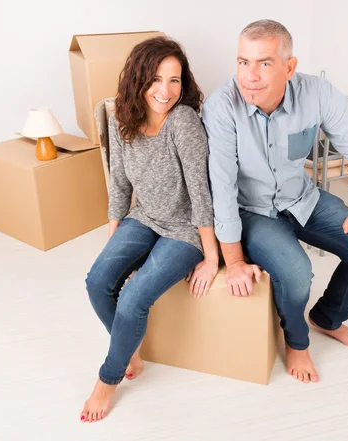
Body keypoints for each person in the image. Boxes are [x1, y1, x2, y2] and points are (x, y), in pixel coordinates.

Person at [202, 19, 348, 384]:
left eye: (264, 63)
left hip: (301, 199)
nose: (250, 76)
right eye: (243, 62)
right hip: (252, 211)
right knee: (296, 272)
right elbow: (220, 187)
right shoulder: (221, 106)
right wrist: (235, 260)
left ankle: (327, 319)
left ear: (289, 66)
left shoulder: (317, 93)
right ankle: (298, 342)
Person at [81, 36, 219, 422]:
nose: (166, 90)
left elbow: (200, 192)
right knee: (96, 281)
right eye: (157, 79)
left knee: (133, 298)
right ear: (138, 79)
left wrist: (212, 256)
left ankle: (107, 380)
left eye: (175, 80)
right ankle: (131, 352)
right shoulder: (120, 117)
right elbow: (120, 185)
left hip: (185, 228)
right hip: (144, 217)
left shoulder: (184, 121)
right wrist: (113, 238)